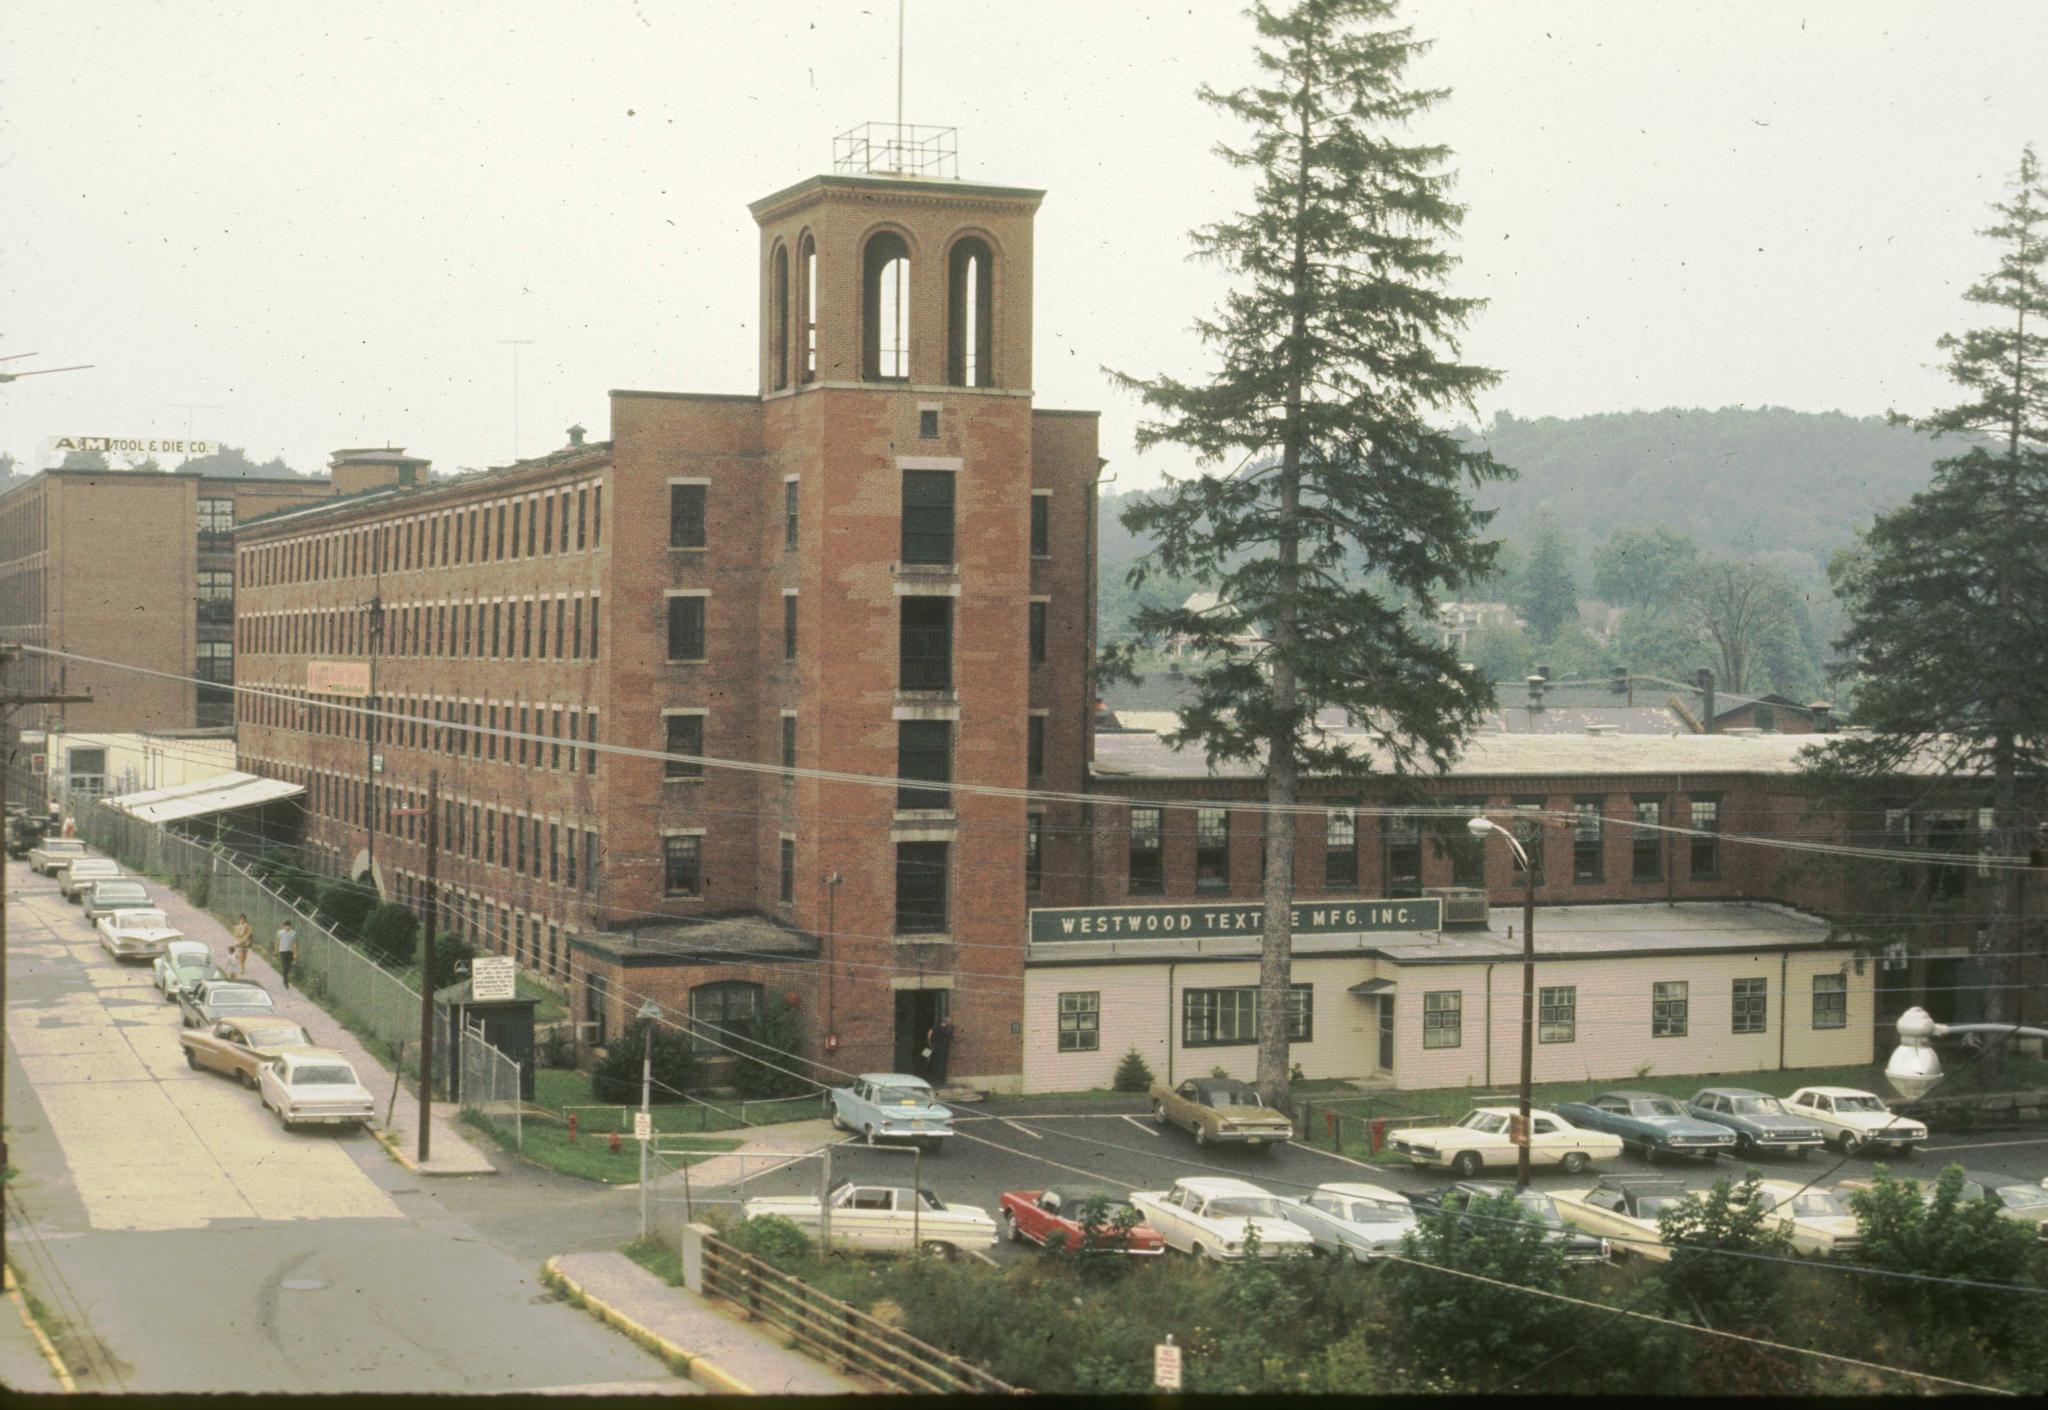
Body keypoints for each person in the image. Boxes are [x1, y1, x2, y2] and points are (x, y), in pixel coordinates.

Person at [926, 1016, 955, 1087]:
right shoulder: (948, 1030)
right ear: (947, 1022)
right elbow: (951, 1039)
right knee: (942, 1065)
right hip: (943, 1049)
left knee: (931, 1061)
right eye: (950, 1022)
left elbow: (929, 1034)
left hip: (934, 1048)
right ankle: (940, 1081)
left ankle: (931, 1078)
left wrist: (929, 1042)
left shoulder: (935, 1027)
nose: (951, 1023)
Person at [230, 915, 254, 979]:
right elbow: (235, 935)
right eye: (241, 919)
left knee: (244, 956)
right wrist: (236, 930)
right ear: (239, 919)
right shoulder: (237, 926)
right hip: (240, 942)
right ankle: (242, 968)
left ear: (245, 920)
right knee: (242, 955)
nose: (242, 920)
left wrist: (246, 935)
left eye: (243, 919)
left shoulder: (246, 925)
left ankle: (241, 962)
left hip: (245, 942)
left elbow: (250, 931)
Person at [275, 919, 298, 991]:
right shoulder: (280, 933)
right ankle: (286, 982)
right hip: (282, 951)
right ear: (283, 926)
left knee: (289, 966)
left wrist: (295, 954)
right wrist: (275, 950)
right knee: (285, 967)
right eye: (286, 926)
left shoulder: (293, 933)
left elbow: (294, 944)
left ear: (291, 926)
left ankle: (286, 977)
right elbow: (277, 942)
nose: (287, 927)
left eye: (289, 926)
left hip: (290, 951)